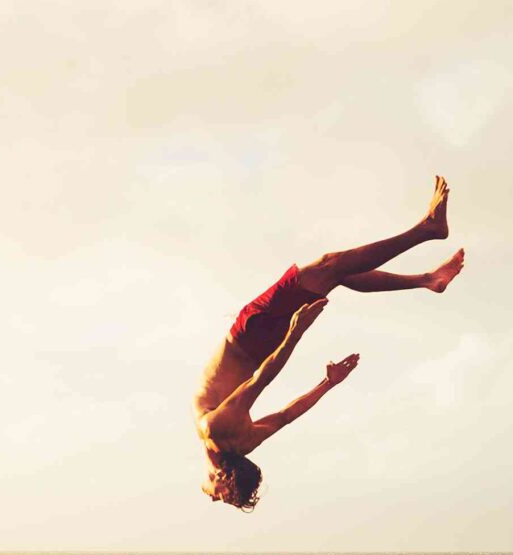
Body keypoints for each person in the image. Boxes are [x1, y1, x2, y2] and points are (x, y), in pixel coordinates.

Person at [194, 176, 465, 510]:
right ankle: (427, 229)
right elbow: (261, 379)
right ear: (224, 479)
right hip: (251, 335)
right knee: (329, 265)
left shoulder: (243, 444)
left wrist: (328, 383)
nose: (215, 497)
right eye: (222, 496)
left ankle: (428, 280)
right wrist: (296, 332)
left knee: (339, 275)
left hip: (259, 342)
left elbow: (286, 416)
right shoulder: (216, 428)